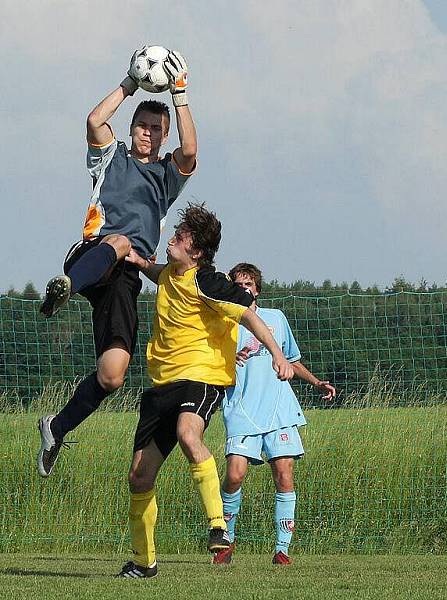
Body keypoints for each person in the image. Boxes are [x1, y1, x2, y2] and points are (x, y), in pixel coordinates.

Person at [37, 49, 196, 478]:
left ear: (164, 136)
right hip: (93, 254)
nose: (149, 133)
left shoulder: (165, 177)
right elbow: (93, 120)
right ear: (130, 128)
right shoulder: (113, 158)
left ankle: (55, 427)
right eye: (143, 126)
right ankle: (65, 290)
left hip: (125, 278)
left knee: (113, 374)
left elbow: (192, 151)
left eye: (156, 129)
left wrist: (180, 97)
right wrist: (131, 82)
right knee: (121, 241)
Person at [116, 204, 294, 578]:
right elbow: (158, 273)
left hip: (202, 376)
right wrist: (133, 258)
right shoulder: (169, 274)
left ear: (196, 251)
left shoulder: (208, 282)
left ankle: (218, 526)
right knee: (139, 476)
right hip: (162, 383)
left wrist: (279, 355)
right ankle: (143, 562)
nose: (171, 240)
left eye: (179, 238)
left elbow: (248, 315)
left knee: (187, 432)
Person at [211, 262, 336, 566]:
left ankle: (282, 550)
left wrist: (316, 382)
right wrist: (230, 362)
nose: (245, 288)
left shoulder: (276, 319)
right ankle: (225, 539)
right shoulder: (224, 322)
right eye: (238, 284)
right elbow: (211, 365)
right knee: (235, 474)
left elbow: (291, 360)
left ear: (257, 289)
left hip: (279, 410)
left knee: (284, 475)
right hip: (242, 410)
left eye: (249, 284)